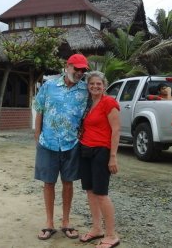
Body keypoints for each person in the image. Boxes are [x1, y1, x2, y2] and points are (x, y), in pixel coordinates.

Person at [34, 53, 89, 241]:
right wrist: (37, 139)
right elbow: (39, 111)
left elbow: (88, 114)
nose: (80, 72)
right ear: (68, 66)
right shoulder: (49, 86)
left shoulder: (85, 90)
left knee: (68, 182)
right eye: (77, 68)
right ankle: (49, 223)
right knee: (48, 183)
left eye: (83, 70)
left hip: (71, 143)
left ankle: (66, 222)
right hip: (47, 142)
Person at [78, 71, 120, 248]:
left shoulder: (108, 102)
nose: (95, 86)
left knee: (101, 194)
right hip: (85, 149)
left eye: (98, 84)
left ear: (104, 85)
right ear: (88, 86)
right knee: (90, 191)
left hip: (101, 151)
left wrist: (112, 157)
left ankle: (111, 235)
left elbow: (116, 130)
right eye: (92, 84)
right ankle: (97, 228)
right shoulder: (89, 103)